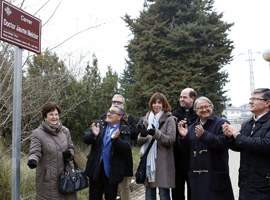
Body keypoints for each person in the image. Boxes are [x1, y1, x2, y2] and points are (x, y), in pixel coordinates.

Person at [177, 96, 234, 200]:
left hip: (215, 174)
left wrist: (204, 135)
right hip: (197, 176)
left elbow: (224, 143)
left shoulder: (221, 123)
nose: (204, 110)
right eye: (200, 108)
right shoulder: (192, 126)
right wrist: (184, 137)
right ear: (195, 111)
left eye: (206, 106)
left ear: (211, 107)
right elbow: (185, 150)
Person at [222, 88, 270, 200]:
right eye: (250, 98)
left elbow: (266, 144)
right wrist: (230, 137)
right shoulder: (247, 123)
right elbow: (240, 146)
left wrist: (238, 136)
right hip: (246, 180)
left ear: (267, 103)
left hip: (264, 182)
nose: (250, 102)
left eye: (255, 99)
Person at [27, 102, 77, 200]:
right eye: (51, 114)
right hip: (47, 179)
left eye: (56, 114)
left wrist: (70, 154)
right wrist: (32, 160)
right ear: (45, 117)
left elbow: (71, 148)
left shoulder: (65, 131)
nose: (54, 117)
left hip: (66, 176)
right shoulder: (37, 133)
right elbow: (35, 151)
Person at [83, 105, 132, 200]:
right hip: (96, 171)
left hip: (112, 172)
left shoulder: (124, 128)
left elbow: (126, 148)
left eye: (112, 112)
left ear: (119, 117)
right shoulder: (99, 124)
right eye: (109, 111)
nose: (108, 114)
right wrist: (94, 135)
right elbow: (85, 139)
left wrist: (115, 140)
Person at [137, 92, 176, 200]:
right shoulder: (146, 119)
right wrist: (143, 135)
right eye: (154, 102)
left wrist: (156, 133)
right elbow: (139, 141)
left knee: (164, 194)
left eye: (159, 102)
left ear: (164, 104)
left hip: (163, 162)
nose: (156, 105)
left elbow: (170, 139)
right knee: (149, 195)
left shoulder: (170, 119)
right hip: (149, 162)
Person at [100, 94, 137, 200]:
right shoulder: (105, 116)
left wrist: (126, 123)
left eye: (119, 102)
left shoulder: (129, 118)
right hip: (108, 160)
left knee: (124, 187)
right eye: (114, 101)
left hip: (123, 159)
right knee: (107, 189)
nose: (116, 104)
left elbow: (134, 135)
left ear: (124, 105)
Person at [172, 88, 198, 200]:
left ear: (192, 98)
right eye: (180, 97)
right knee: (177, 190)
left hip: (193, 159)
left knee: (194, 189)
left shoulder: (198, 114)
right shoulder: (174, 114)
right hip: (177, 159)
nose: (181, 99)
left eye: (184, 97)